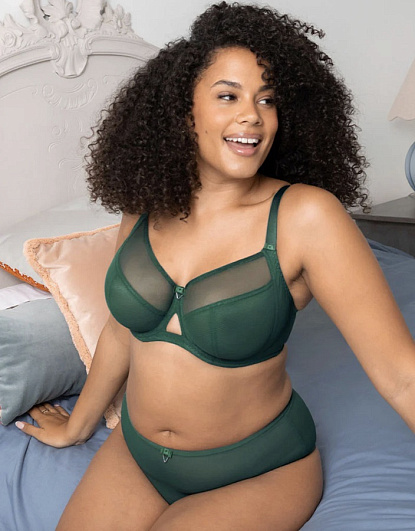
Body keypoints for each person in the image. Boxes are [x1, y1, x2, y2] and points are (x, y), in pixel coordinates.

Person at [16, 2, 415, 530]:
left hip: (258, 470)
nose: (253, 115)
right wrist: (78, 426)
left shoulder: (306, 216)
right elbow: (122, 329)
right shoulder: (147, 201)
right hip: (137, 455)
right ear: (185, 110)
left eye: (266, 100)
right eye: (228, 96)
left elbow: (401, 375)